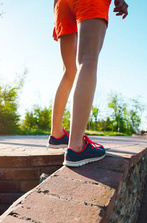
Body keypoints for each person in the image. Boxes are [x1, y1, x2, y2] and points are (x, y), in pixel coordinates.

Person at [47, 0, 129, 167]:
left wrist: (56, 16)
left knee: (69, 71)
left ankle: (56, 135)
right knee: (88, 60)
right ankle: (76, 147)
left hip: (61, 4)